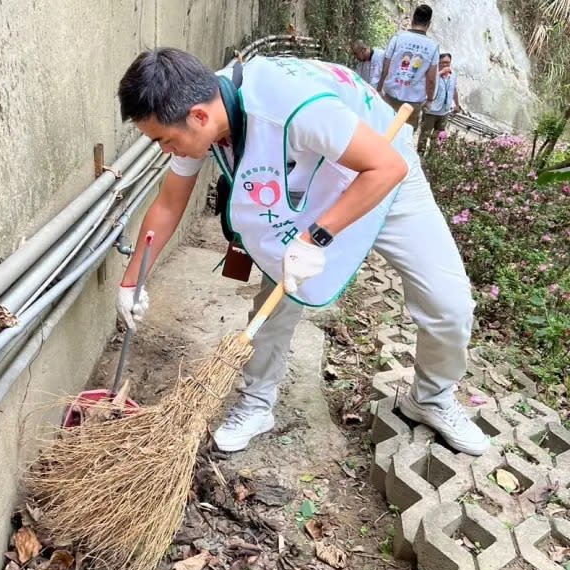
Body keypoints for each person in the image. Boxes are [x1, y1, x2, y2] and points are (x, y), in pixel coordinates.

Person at [115, 48, 489, 457]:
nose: (166, 150)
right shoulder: (199, 109)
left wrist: (314, 239)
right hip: (313, 174)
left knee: (447, 303)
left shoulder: (286, 106)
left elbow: (385, 168)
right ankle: (257, 404)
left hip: (383, 164)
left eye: (165, 141)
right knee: (276, 299)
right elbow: (169, 204)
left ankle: (431, 398)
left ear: (199, 117)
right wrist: (133, 280)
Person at [377, 4, 439, 129]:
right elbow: (431, 79)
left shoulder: (398, 38)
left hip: (390, 95)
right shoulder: (433, 47)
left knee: (384, 129)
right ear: (429, 24)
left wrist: (379, 88)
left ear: (412, 19)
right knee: (404, 136)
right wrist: (430, 100)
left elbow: (386, 66)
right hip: (412, 102)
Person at [417, 53, 461, 154]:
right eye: (443, 63)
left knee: (438, 135)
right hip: (431, 110)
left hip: (444, 111)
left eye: (448, 63)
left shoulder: (453, 75)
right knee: (425, 133)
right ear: (438, 63)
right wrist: (440, 73)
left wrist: (457, 105)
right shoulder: (433, 74)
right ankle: (420, 154)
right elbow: (428, 83)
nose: (446, 65)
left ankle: (432, 156)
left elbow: (454, 90)